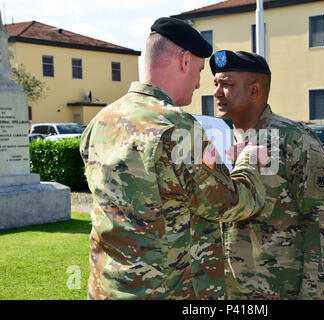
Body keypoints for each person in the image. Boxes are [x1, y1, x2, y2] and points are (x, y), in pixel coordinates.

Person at [79, 18, 268, 300]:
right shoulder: (176, 126)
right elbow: (228, 204)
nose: (199, 83)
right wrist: (250, 160)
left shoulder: (101, 121)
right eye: (200, 70)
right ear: (184, 61)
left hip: (107, 288)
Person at [210, 50, 324, 300]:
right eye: (216, 84)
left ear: (254, 90)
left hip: (278, 292)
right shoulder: (216, 142)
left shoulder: (295, 140)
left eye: (226, 85)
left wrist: (314, 294)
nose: (217, 93)